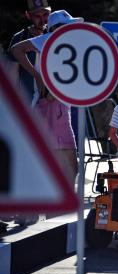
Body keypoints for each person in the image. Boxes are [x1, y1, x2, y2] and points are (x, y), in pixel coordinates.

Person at [10, 10, 83, 185]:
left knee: (55, 166)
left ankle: (38, 208)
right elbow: (16, 49)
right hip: (51, 105)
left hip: (56, 106)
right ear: (58, 28)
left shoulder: (57, 42)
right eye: (68, 26)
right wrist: (37, 76)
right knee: (68, 167)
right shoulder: (50, 39)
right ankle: (46, 209)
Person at [7, 0, 51, 104]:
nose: (42, 20)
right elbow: (13, 75)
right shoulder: (19, 38)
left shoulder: (55, 36)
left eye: (45, 14)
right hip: (29, 104)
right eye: (37, 16)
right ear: (28, 15)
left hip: (54, 104)